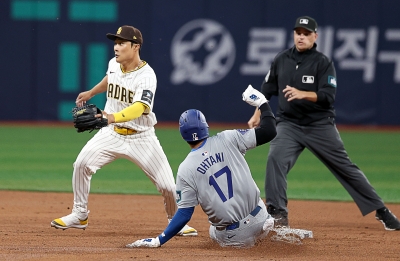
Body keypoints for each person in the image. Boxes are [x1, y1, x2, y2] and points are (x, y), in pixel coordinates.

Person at [247, 16, 400, 231]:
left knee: (345, 167)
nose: (301, 36)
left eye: (306, 33)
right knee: (275, 158)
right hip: (289, 124)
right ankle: (277, 213)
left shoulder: (322, 62)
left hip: (319, 125)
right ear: (294, 34)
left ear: (315, 36)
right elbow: (266, 91)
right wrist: (257, 113)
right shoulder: (281, 59)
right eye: (298, 32)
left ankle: (381, 210)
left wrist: (302, 94)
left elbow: (328, 95)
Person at [50, 25, 197, 236]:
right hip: (112, 133)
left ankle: (176, 222)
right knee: (82, 164)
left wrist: (111, 117)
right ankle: (80, 214)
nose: (116, 48)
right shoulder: (114, 64)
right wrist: (91, 92)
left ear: (135, 46)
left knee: (167, 187)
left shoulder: (147, 76)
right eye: (115, 43)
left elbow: (140, 108)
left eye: (121, 43)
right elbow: (110, 79)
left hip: (141, 137)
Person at [125, 85, 278, 248]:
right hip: (260, 217)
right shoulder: (229, 138)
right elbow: (269, 131)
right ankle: (268, 228)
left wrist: (159, 239)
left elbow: (184, 213)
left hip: (236, 235)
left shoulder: (186, 168)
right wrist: (262, 102)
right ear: (205, 126)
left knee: (213, 231)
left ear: (183, 135)